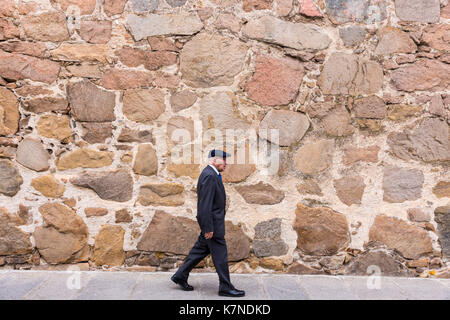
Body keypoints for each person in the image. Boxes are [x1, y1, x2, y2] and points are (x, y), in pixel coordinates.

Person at [171, 149, 245, 297]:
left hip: (212, 224)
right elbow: (204, 205)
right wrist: (208, 227)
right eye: (223, 159)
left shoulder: (212, 174)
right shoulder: (209, 176)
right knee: (221, 256)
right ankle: (225, 287)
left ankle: (180, 275)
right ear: (214, 160)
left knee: (200, 250)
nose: (226, 163)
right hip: (213, 226)